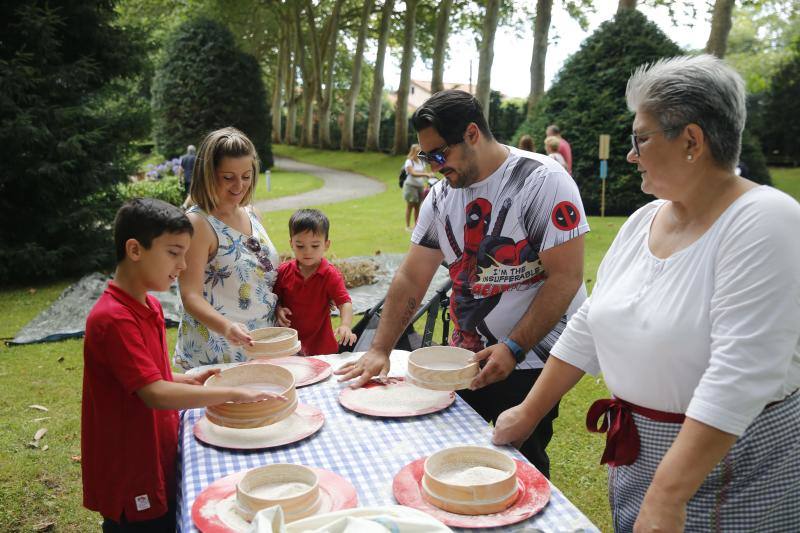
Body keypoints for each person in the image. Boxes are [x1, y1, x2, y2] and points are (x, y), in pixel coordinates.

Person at [493, 55, 800, 532]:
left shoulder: (767, 221)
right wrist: (527, 413)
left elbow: (741, 374)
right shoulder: (643, 221)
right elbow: (590, 324)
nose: (632, 154)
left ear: (692, 140)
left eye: (641, 138)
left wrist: (667, 495)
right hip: (640, 455)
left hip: (732, 464)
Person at [335, 89, 590, 478]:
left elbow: (567, 277)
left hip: (535, 357)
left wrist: (514, 347)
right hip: (466, 355)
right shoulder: (440, 197)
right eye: (426, 157)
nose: (435, 167)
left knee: (522, 459)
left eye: (439, 154)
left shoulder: (543, 182)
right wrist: (380, 347)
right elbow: (411, 276)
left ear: (472, 134)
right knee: (451, 454)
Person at [82, 198, 282, 532]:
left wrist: (187, 380)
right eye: (174, 252)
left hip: (155, 454)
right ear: (135, 250)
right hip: (131, 468)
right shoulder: (113, 319)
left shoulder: (148, 306)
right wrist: (230, 393)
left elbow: (149, 376)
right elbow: (154, 394)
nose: (183, 265)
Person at [174, 127, 281, 369]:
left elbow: (262, 275)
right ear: (208, 174)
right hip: (216, 354)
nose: (239, 186)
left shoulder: (252, 214)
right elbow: (190, 295)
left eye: (246, 176)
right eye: (228, 177)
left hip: (258, 346)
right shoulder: (198, 224)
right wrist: (226, 327)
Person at [275, 209, 357, 355]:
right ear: (291, 244)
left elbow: (345, 302)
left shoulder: (330, 274)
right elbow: (274, 299)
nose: (307, 252)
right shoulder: (283, 272)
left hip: (322, 349)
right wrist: (278, 310)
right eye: (300, 246)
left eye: (315, 246)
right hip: (289, 347)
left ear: (326, 244)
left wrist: (345, 325)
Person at [402, 143, 435, 231]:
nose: (418, 153)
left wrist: (429, 176)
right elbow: (413, 173)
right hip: (411, 186)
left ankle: (416, 226)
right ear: (413, 152)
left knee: (418, 206)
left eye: (419, 151)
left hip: (420, 186)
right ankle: (407, 226)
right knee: (410, 205)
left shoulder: (421, 161)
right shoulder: (409, 161)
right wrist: (426, 174)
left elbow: (424, 173)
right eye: (417, 151)